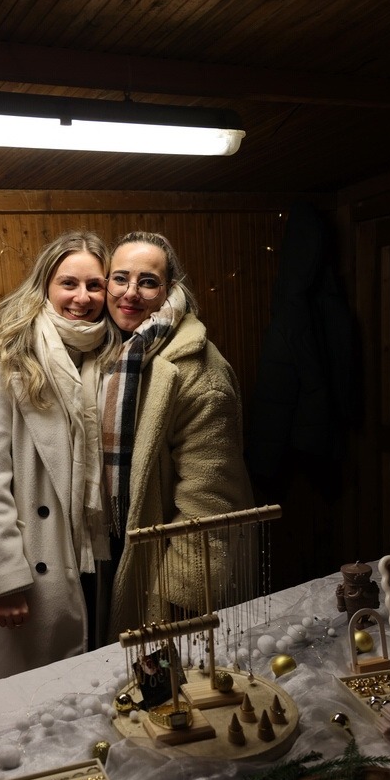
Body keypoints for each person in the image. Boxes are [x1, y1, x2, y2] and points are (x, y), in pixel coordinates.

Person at [0, 229, 121, 688]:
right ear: (45, 285)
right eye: (69, 283)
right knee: (26, 697)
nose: (82, 298)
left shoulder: (110, 354)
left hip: (93, 551)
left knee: (90, 687)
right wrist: (6, 580)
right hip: (34, 560)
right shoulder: (2, 358)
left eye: (94, 285)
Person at [101, 230, 255, 641]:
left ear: (169, 289)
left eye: (148, 282)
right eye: (120, 278)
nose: (130, 293)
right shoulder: (111, 350)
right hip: (112, 546)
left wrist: (177, 601)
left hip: (162, 568)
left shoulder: (199, 373)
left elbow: (210, 502)